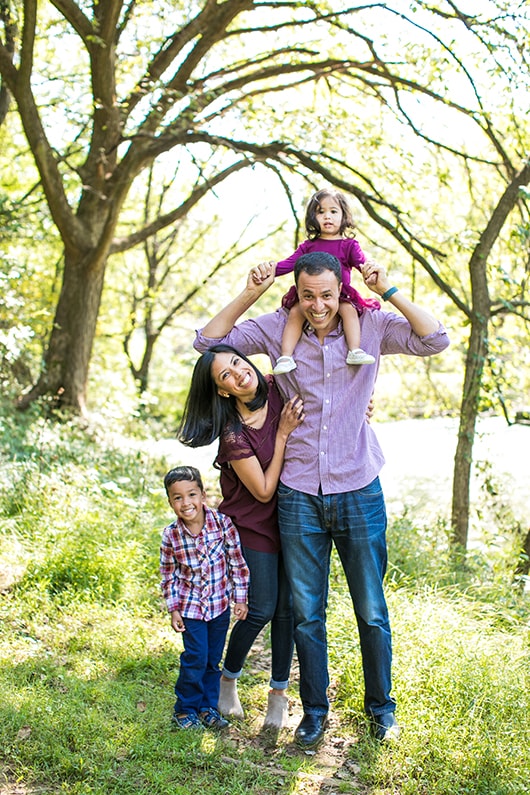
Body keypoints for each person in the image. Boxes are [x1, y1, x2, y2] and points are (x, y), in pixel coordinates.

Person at [193, 251, 450, 748]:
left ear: (341, 290)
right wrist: (252, 291)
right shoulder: (276, 329)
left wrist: (389, 289)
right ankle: (314, 712)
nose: (317, 306)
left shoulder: (370, 326)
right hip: (298, 496)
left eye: (327, 295)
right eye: (308, 296)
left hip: (358, 489)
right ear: (299, 293)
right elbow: (207, 342)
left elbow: (435, 338)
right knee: (308, 613)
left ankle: (382, 711)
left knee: (371, 611)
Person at [178, 345, 304, 729]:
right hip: (254, 525)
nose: (237, 373)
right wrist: (281, 434)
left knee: (291, 611)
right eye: (225, 377)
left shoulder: (279, 384)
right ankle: (226, 681)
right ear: (223, 391)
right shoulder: (234, 436)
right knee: (263, 608)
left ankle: (278, 697)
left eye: (236, 362)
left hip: (296, 516)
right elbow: (263, 491)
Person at [160, 465, 250, 731]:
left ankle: (208, 708)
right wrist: (173, 608)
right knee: (195, 657)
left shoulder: (222, 525)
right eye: (178, 497)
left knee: (212, 659)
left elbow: (237, 562)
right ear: (170, 502)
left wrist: (240, 598)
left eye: (191, 494)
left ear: (203, 495)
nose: (186, 503)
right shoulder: (171, 536)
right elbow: (169, 575)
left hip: (219, 607)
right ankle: (185, 710)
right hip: (190, 609)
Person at [265, 188, 379, 375]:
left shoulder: (349, 245)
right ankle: (286, 356)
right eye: (321, 212)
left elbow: (362, 264)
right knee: (295, 312)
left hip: (340, 294)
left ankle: (354, 349)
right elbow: (289, 264)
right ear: (313, 217)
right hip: (311, 294)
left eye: (333, 211)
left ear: (343, 216)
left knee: (348, 310)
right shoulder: (308, 246)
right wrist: (269, 271)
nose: (328, 217)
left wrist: (371, 270)